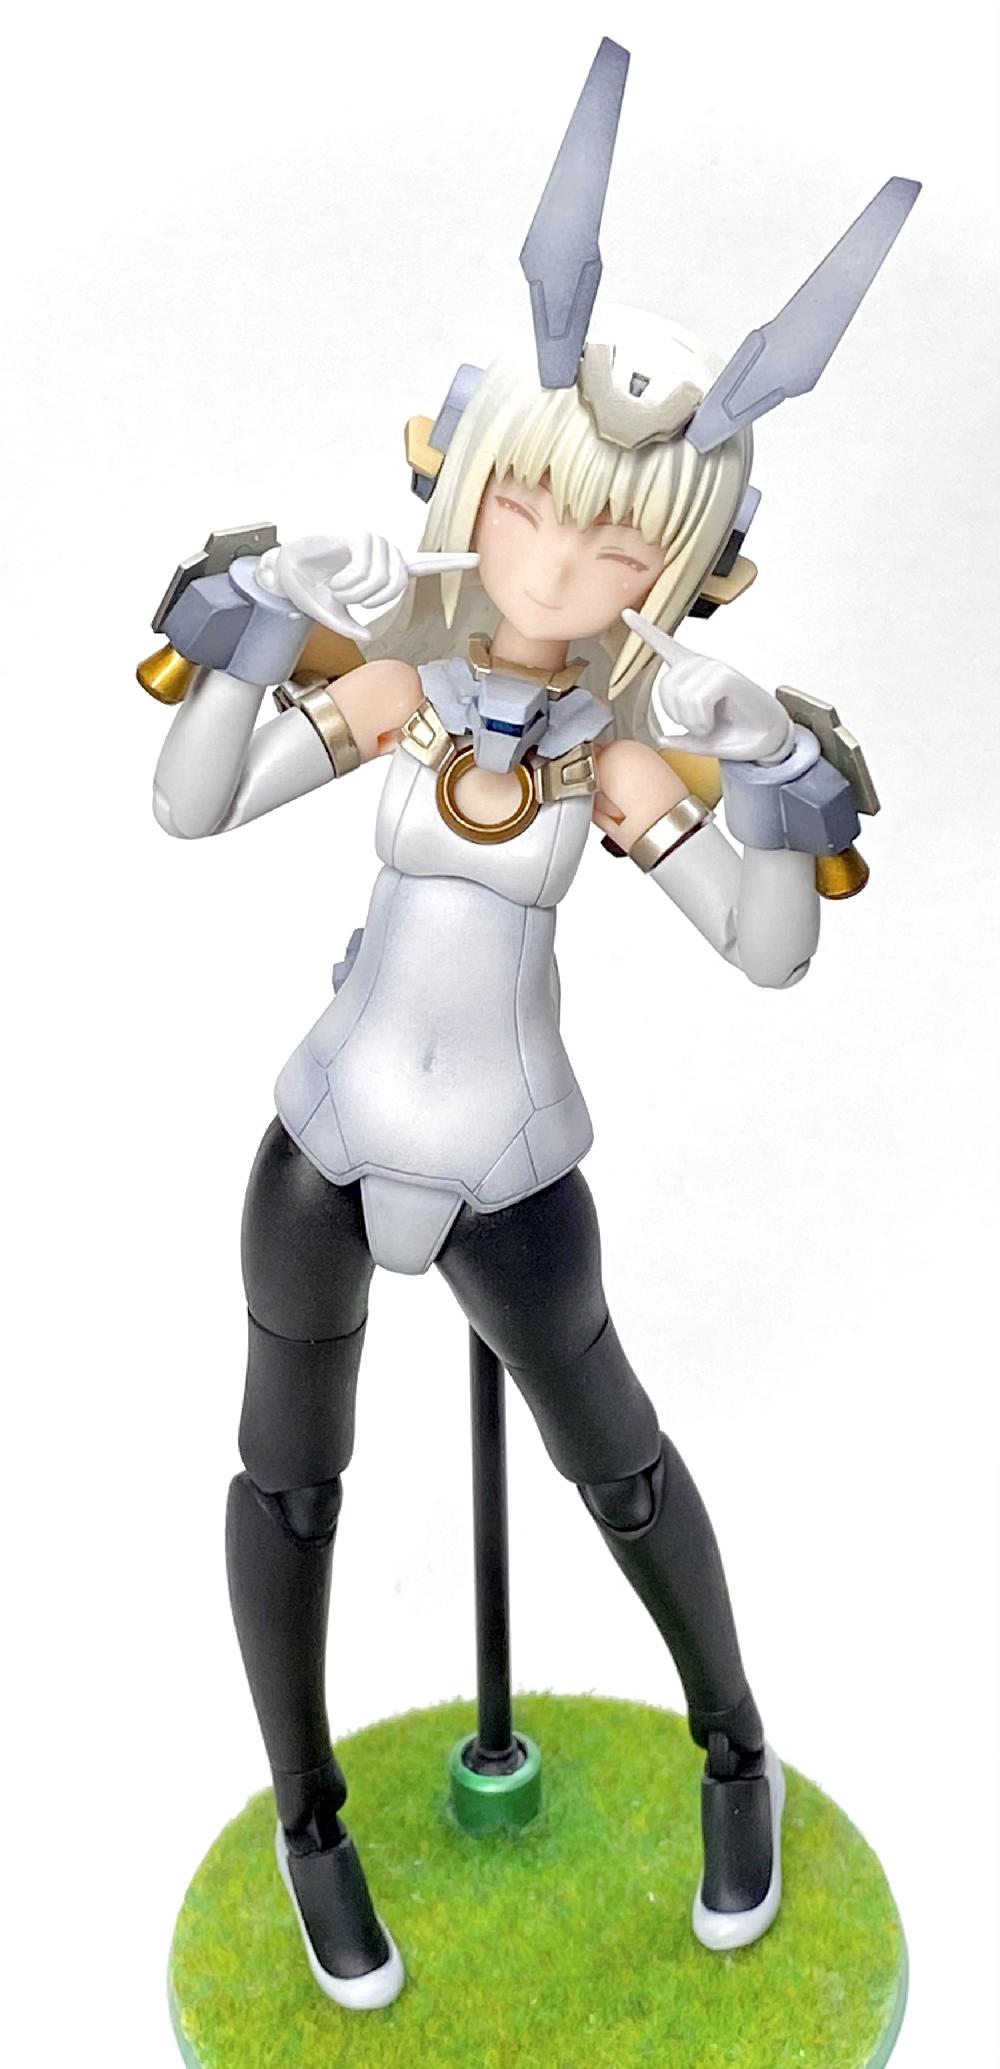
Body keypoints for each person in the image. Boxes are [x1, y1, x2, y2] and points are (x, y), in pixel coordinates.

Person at [146, 35, 915, 2014]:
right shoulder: (401, 688)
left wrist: (773, 792)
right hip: (322, 1142)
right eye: (529, 514)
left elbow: (764, 951)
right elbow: (192, 806)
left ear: (683, 569)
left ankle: (733, 1755)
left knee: (620, 1466)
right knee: (284, 1480)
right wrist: (248, 635)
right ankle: (308, 1820)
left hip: (505, 1167)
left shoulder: (623, 751)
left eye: (617, 544)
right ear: (467, 480)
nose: (557, 568)